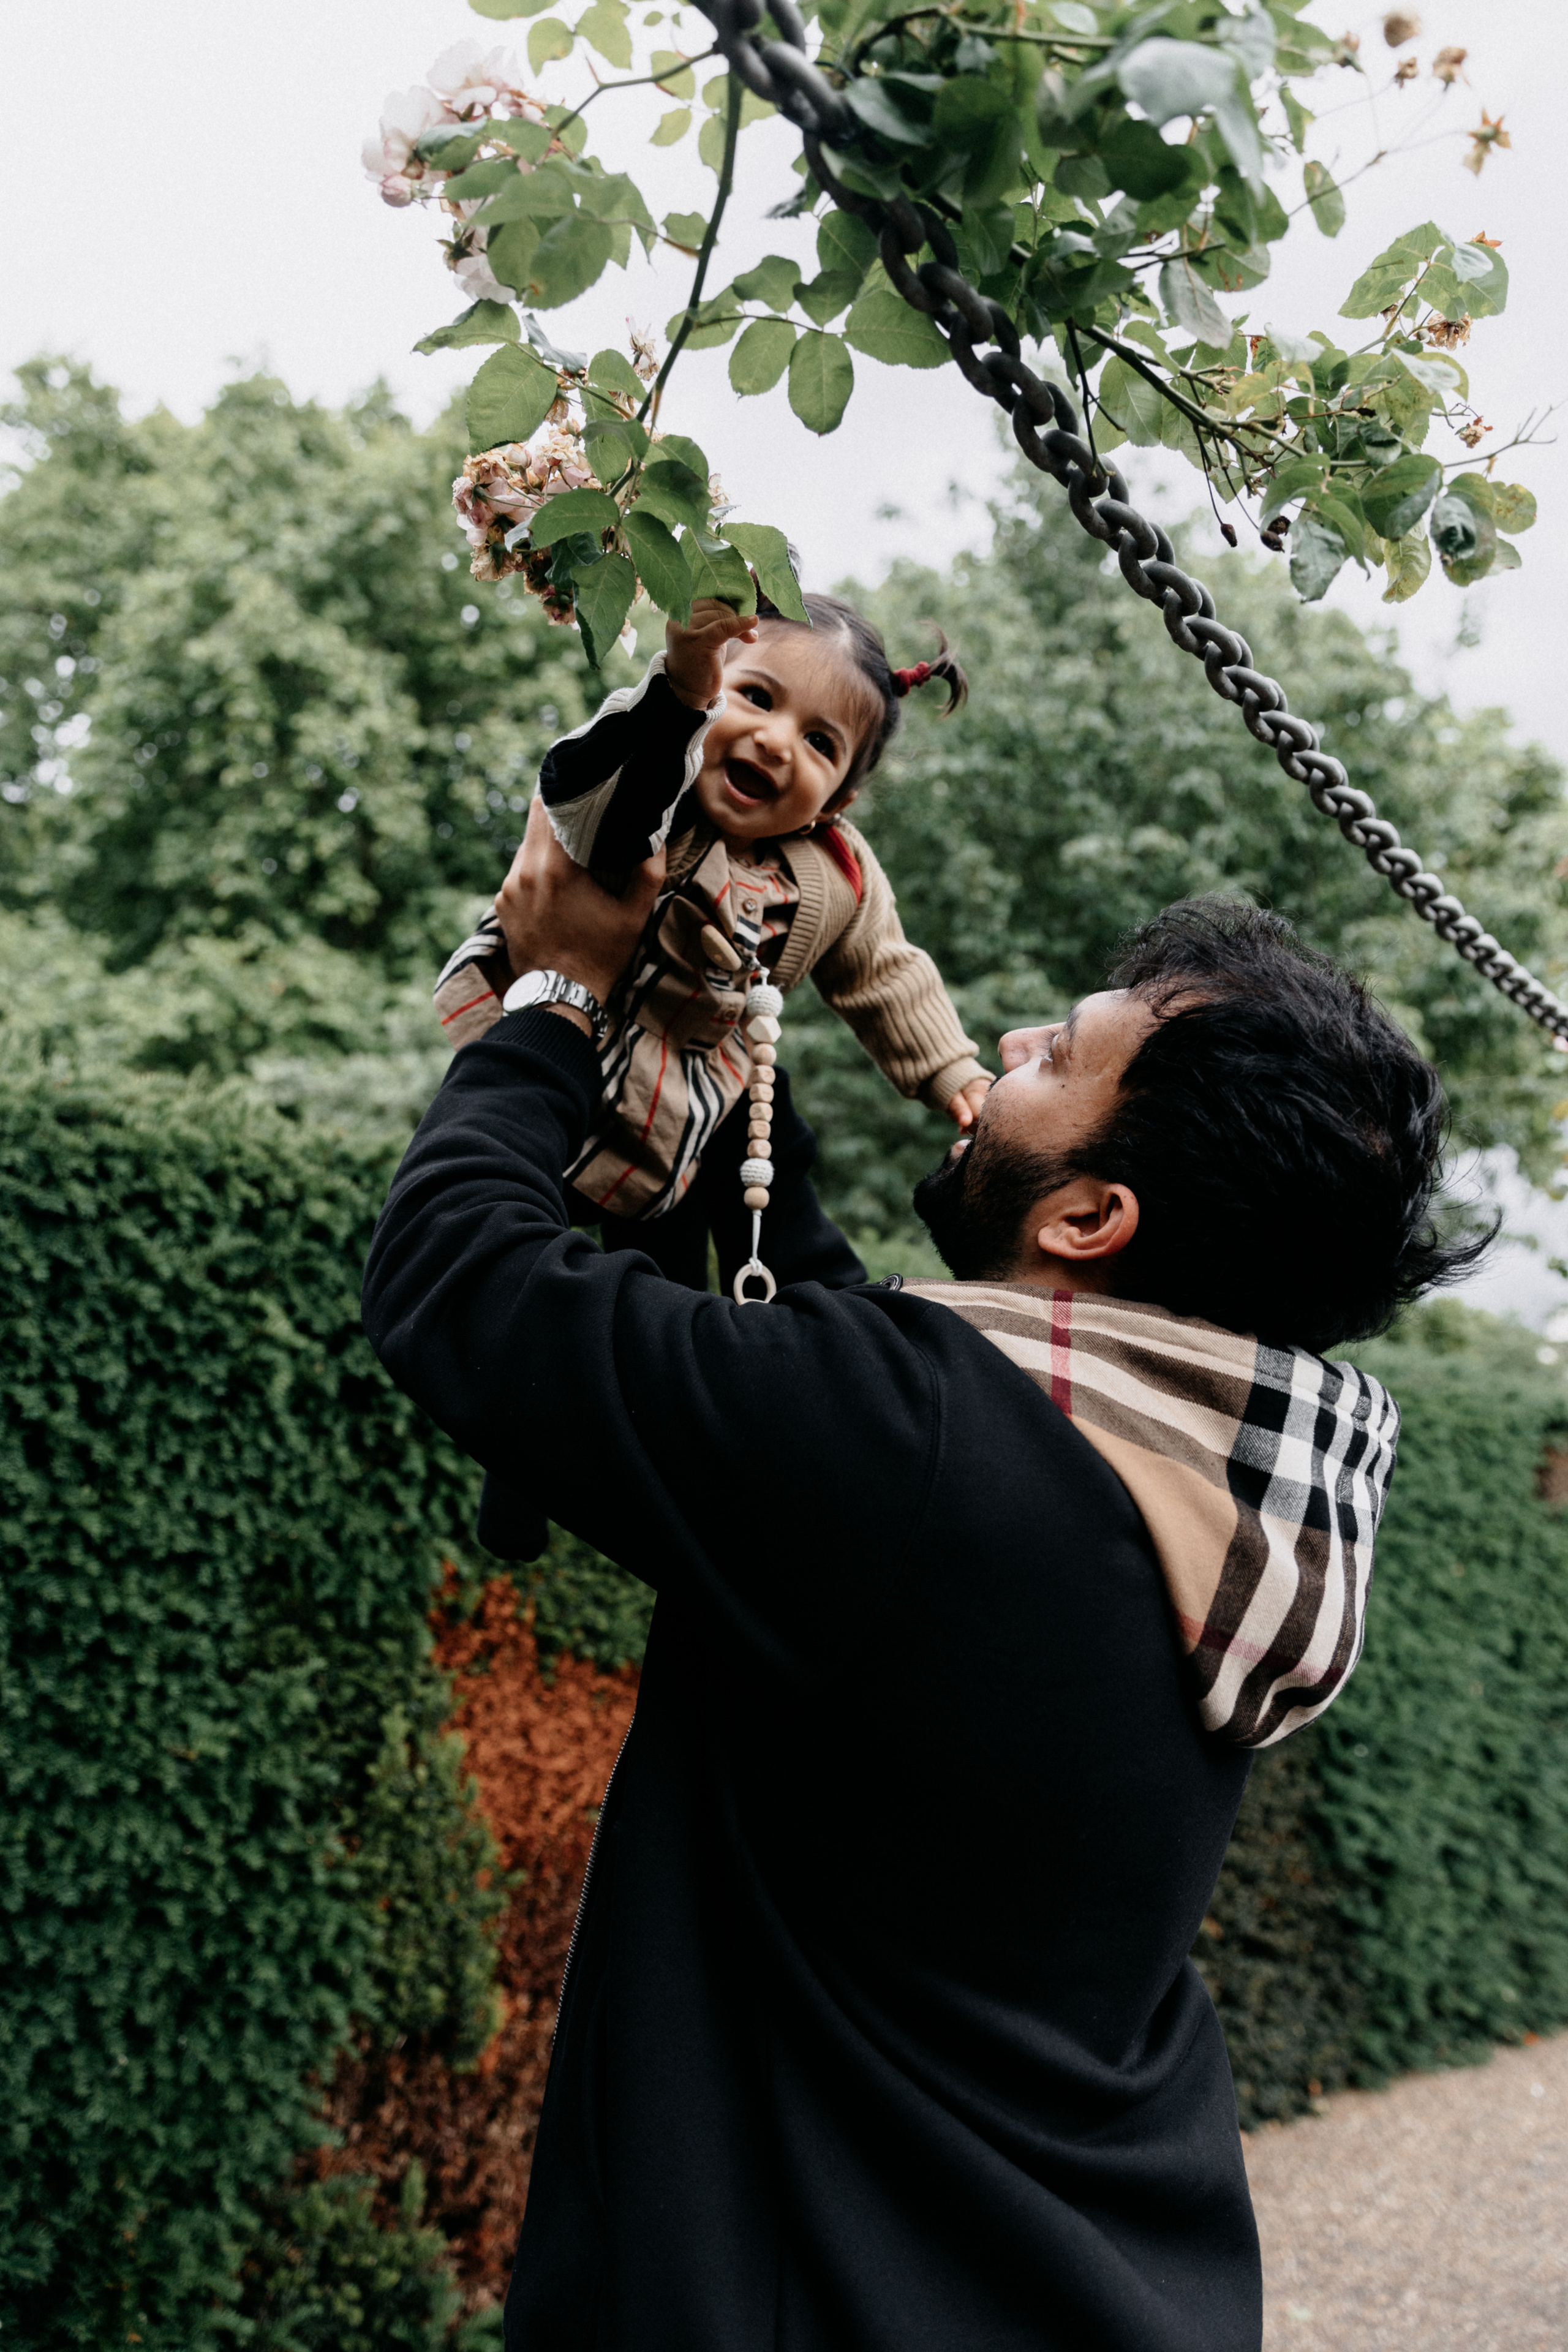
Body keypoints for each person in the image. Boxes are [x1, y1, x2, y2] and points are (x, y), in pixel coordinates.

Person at [363, 809, 1481, 2351]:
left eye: (1055, 1056)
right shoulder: (1205, 1498)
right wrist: (736, 1064)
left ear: (1086, 1218)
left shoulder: (915, 1446)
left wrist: (555, 994)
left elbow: (459, 1284)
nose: (1006, 1034)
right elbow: (845, 1358)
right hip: (1086, 2287)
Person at [431, 589, 991, 1298]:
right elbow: (585, 794)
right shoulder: (662, 783)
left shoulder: (840, 873)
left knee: (668, 1263)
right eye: (756, 696)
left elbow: (885, 972)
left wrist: (954, 1073)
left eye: (821, 744)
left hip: (693, 1087)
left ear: (837, 801)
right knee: (514, 1196)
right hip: (574, 1032)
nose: (777, 740)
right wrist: (680, 690)